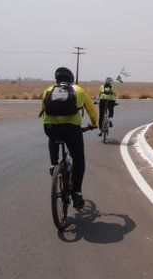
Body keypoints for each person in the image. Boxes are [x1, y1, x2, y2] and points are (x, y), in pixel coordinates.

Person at [41, 67, 98, 208]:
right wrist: (93, 124)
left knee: (53, 137)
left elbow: (44, 110)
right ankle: (77, 193)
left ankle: (54, 165)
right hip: (72, 130)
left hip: (50, 128)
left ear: (56, 79)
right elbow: (91, 110)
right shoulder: (78, 90)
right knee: (79, 160)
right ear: (71, 79)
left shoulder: (48, 90)